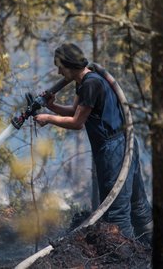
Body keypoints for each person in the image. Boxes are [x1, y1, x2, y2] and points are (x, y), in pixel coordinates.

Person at [34, 43, 153, 243]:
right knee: (137, 204)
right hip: (123, 143)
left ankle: (127, 258)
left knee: (117, 211)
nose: (58, 71)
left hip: (114, 149)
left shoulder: (91, 84)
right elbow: (74, 111)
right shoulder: (85, 82)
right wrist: (52, 106)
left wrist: (47, 118)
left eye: (60, 67)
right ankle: (152, 250)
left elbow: (77, 123)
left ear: (69, 64)